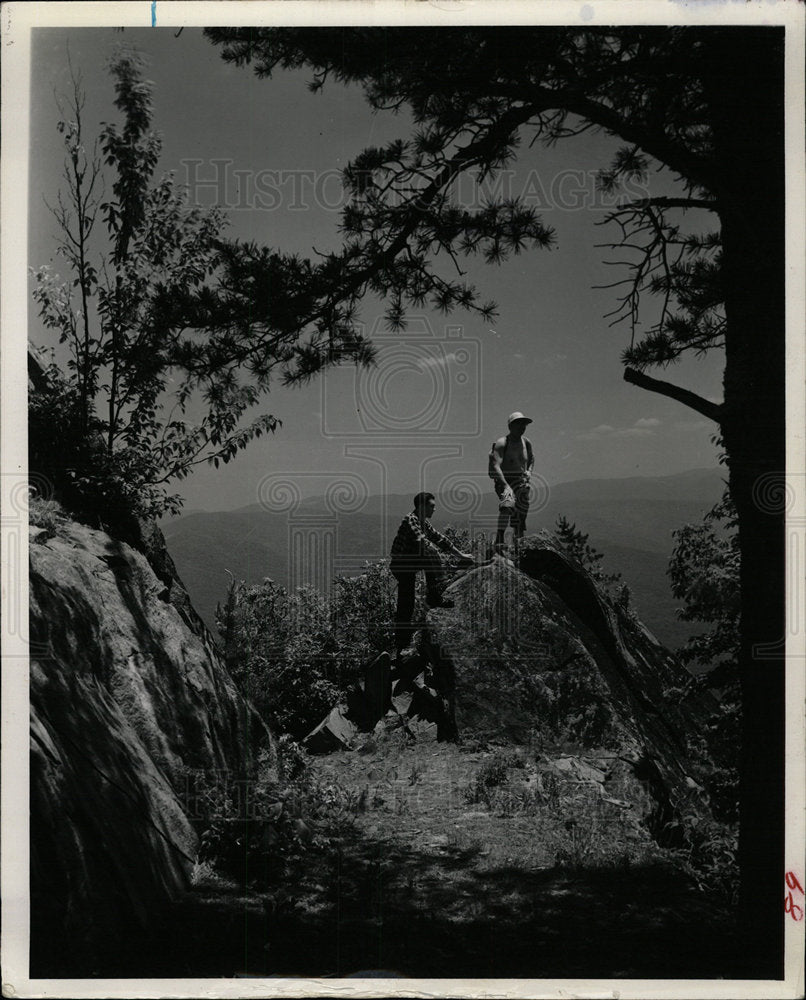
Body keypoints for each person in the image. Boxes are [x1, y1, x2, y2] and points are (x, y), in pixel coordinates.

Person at [389, 492, 474, 652]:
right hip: (402, 565)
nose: (434, 509)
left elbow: (440, 539)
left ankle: (434, 596)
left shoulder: (423, 523)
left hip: (410, 563)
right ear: (422, 506)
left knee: (408, 602)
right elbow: (424, 544)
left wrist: (461, 555)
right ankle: (402, 644)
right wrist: (446, 564)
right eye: (432, 506)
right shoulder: (410, 520)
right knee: (406, 604)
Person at [488, 412, 534, 552]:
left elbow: (531, 459)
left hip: (521, 481)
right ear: (511, 426)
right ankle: (500, 539)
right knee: (507, 505)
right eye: (519, 424)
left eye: (524, 424)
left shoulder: (526, 442)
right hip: (505, 479)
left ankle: (518, 545)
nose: (522, 427)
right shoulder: (502, 443)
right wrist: (506, 486)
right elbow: (496, 465)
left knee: (520, 514)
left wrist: (529, 472)